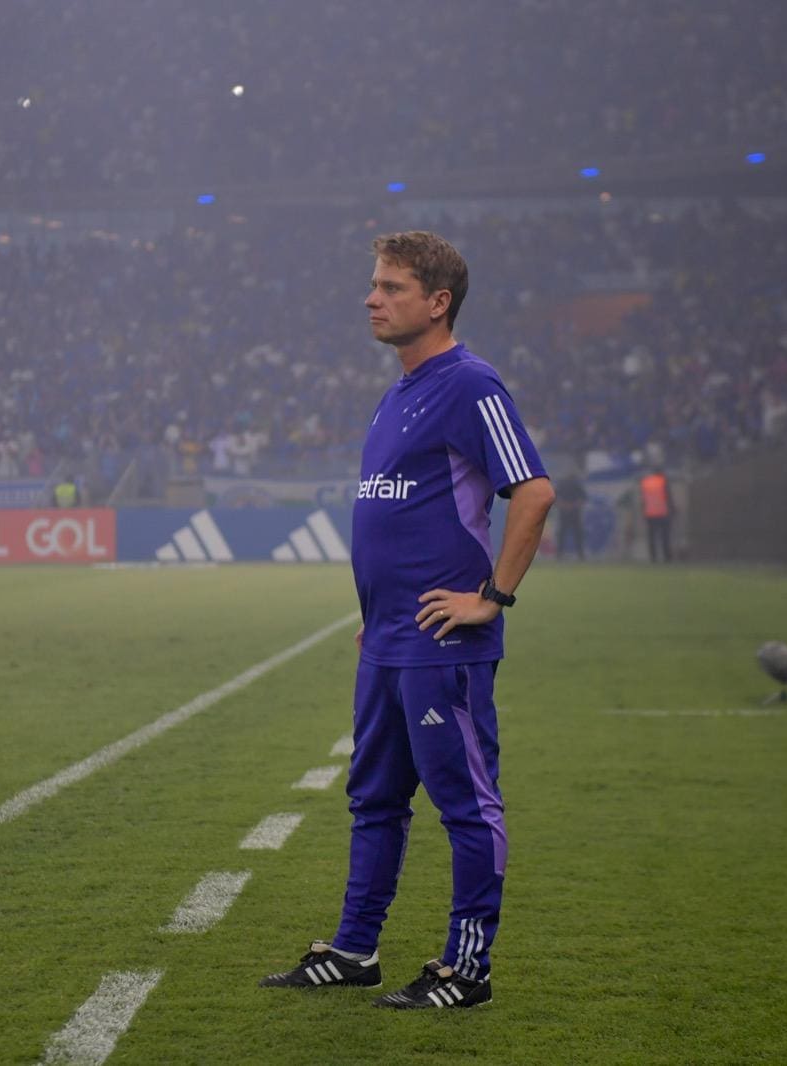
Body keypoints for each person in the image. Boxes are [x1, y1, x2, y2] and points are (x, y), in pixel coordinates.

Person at [261, 231, 554, 1010]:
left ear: (437, 301)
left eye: (390, 287)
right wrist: (377, 615)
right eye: (373, 285)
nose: (371, 298)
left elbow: (533, 492)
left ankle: (469, 969)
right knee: (375, 799)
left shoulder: (471, 385)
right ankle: (356, 951)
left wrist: (490, 599)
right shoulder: (397, 393)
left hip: (442, 644)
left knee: (465, 801)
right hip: (388, 639)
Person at [640, 466, 674, 563]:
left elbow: (643, 499)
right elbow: (668, 496)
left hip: (649, 513)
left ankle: (653, 558)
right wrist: (673, 509)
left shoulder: (646, 482)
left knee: (652, 537)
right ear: (661, 472)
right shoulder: (663, 481)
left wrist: (644, 511)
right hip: (662, 512)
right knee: (665, 536)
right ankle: (667, 557)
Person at [553, 470, 587, 560]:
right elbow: (583, 498)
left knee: (572, 534)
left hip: (570, 512)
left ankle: (578, 554)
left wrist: (566, 505)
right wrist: (571, 505)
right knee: (566, 534)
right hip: (569, 512)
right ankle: (562, 554)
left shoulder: (564, 485)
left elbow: (583, 498)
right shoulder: (573, 485)